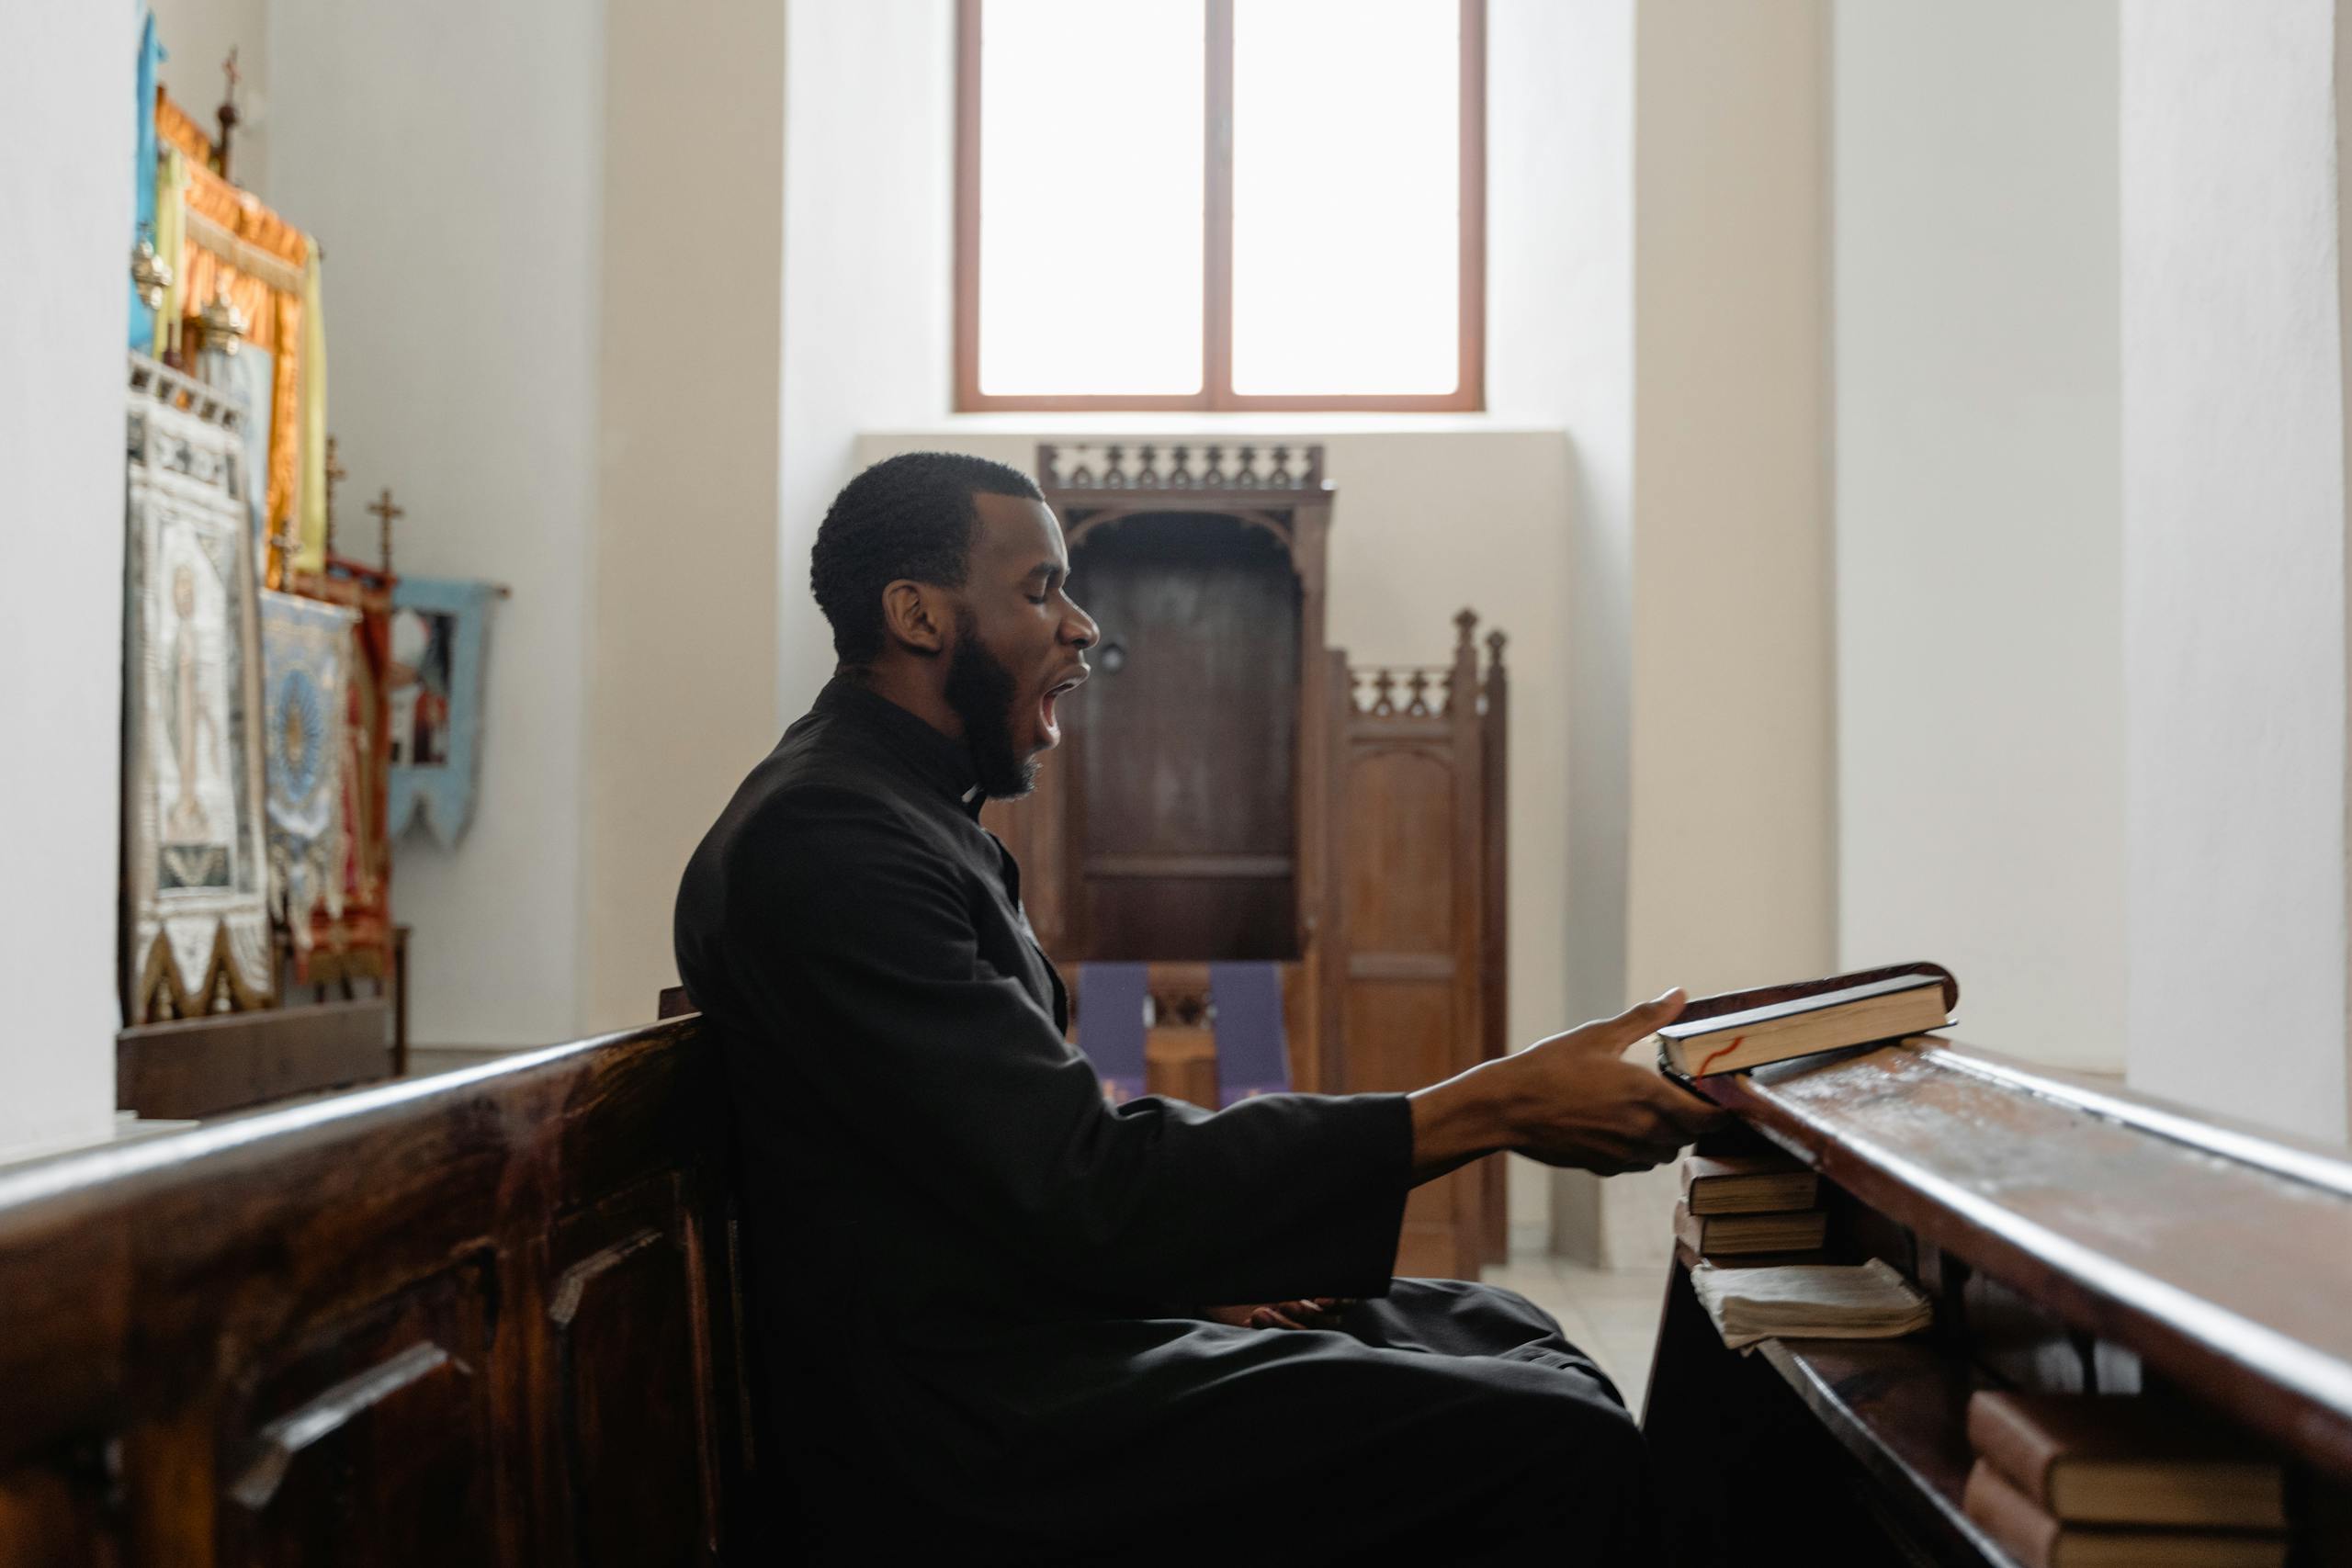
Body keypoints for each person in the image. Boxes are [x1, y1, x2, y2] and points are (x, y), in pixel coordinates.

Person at [673, 452, 1726, 1563]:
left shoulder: (903, 812)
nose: (1079, 628)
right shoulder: (832, 840)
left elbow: (994, 1174)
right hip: (967, 1418)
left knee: (1502, 1326)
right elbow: (1082, 1181)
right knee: (1553, 1442)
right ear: (918, 614)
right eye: (1040, 590)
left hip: (1021, 1316)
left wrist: (1187, 1279)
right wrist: (1488, 1109)